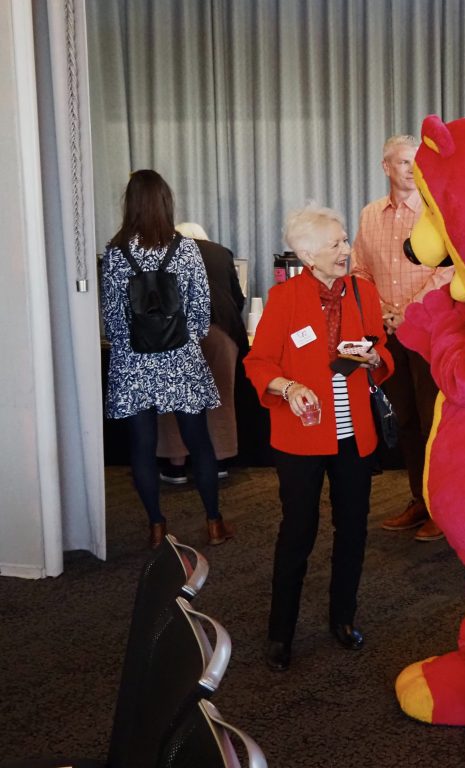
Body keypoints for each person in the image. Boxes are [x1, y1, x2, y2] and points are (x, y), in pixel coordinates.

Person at [244, 203, 394, 671]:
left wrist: (375, 360)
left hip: (354, 436)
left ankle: (342, 618)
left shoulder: (363, 293)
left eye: (345, 240)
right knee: (297, 532)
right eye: (336, 244)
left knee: (353, 530)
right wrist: (288, 387)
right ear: (308, 256)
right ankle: (280, 632)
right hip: (301, 436)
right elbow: (258, 363)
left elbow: (381, 351)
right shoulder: (284, 298)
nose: (346, 250)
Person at [100, 170, 232, 549]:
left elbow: (112, 318)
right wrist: (180, 342)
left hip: (133, 363)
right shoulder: (186, 248)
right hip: (182, 361)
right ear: (165, 202)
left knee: (142, 447)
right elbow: (202, 311)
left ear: (131, 205)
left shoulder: (116, 253)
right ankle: (213, 523)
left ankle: (157, 527)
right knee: (200, 443)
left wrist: (135, 347)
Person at [350, 134, 454, 542]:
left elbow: (446, 271)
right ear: (386, 167)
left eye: (416, 163)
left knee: (433, 422)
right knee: (405, 420)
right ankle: (419, 499)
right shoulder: (369, 215)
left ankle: (443, 509)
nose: (411, 169)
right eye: (404, 162)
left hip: (429, 330)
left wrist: (406, 311)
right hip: (388, 333)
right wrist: (383, 314)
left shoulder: (436, 213)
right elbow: (358, 270)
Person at [157, 223, 248, 482]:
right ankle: (219, 461)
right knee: (219, 397)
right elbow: (237, 298)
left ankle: (176, 466)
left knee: (174, 399)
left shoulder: (162, 252)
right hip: (219, 329)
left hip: (175, 331)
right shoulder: (221, 253)